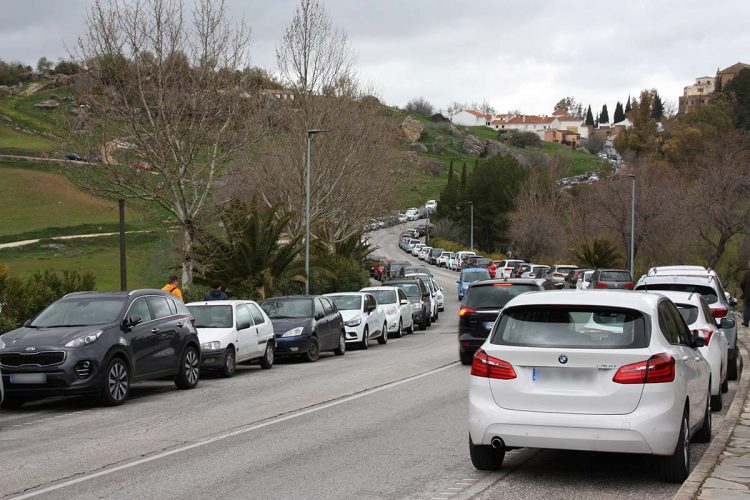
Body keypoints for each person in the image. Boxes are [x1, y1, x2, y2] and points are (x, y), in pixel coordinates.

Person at [741, 260, 750, 327]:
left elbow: (742, 284)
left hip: (748, 294)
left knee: (747, 307)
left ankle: (746, 322)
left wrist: (744, 291)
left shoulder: (747, 273)